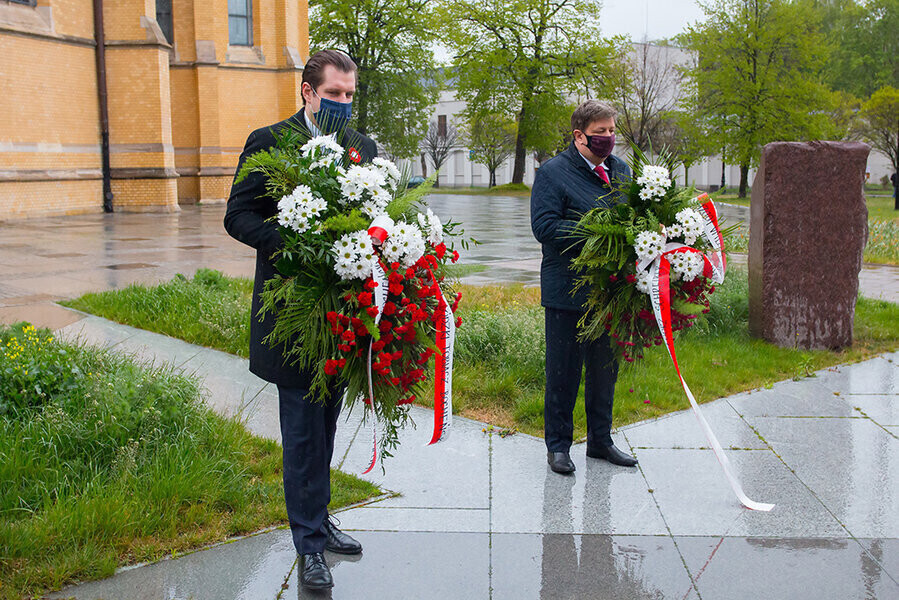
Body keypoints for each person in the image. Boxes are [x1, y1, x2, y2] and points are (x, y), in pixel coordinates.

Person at [224, 49, 377, 591]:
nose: (342, 103)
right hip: (292, 313)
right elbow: (237, 216)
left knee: (327, 425)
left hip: (343, 314)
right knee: (302, 433)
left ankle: (320, 518)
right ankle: (308, 545)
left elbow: (379, 214)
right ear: (308, 91)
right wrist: (291, 240)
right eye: (333, 94)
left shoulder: (362, 148)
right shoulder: (270, 141)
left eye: (349, 95)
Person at [530, 100, 637, 475]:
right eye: (600, 132)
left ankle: (600, 441)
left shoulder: (621, 170)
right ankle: (558, 446)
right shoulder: (553, 173)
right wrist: (599, 232)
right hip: (567, 291)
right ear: (579, 136)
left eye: (612, 131)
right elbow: (545, 227)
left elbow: (632, 218)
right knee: (563, 373)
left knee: (605, 372)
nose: (608, 137)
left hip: (610, 290)